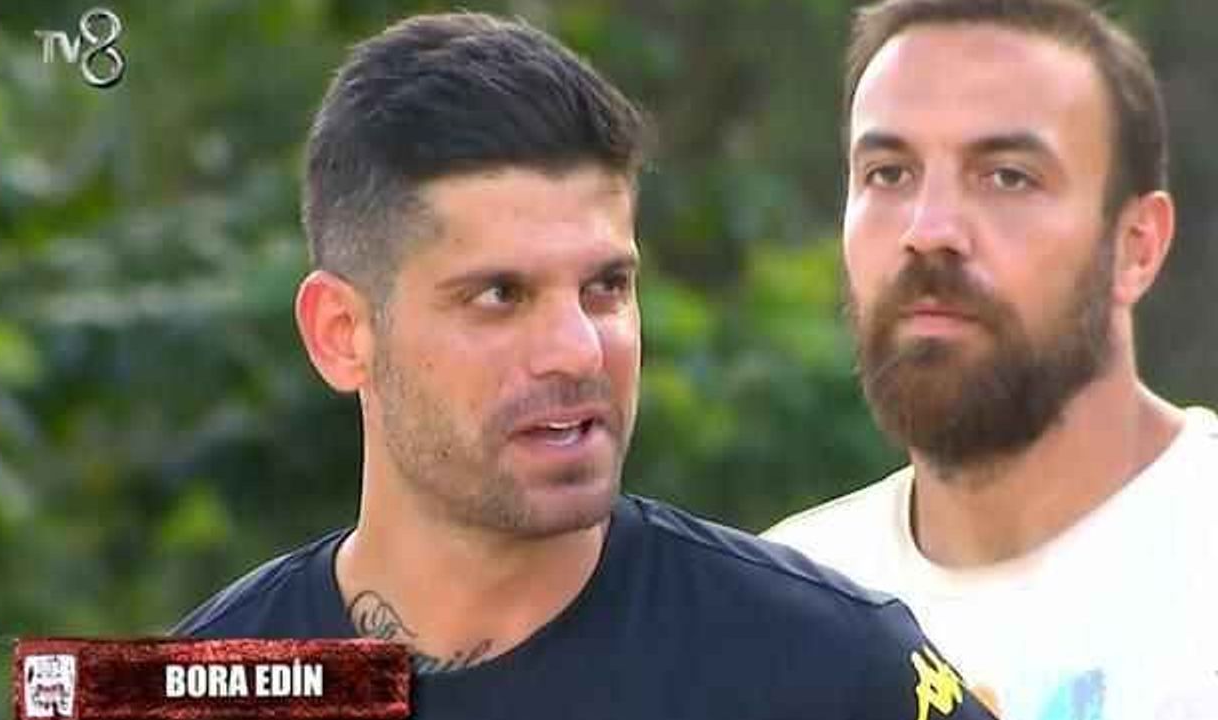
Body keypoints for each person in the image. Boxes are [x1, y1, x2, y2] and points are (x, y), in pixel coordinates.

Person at [172, 11, 996, 720]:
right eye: (499, 295)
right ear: (342, 334)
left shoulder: (830, 672)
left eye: (606, 287)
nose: (577, 348)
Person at [763, 0, 1218, 717]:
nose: (929, 230)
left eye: (1007, 176)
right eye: (888, 173)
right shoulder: (777, 612)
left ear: (1136, 246)